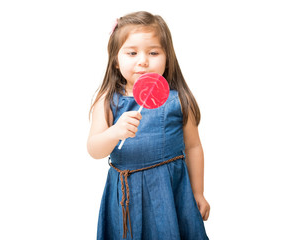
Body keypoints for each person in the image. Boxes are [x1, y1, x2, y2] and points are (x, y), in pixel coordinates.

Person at [87, 11, 210, 240]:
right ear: (116, 60)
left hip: (169, 193)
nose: (143, 60)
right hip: (125, 196)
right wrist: (115, 132)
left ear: (167, 57)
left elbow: (193, 147)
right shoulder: (107, 101)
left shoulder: (178, 100)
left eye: (153, 52)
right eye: (132, 52)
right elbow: (94, 149)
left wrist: (198, 192)